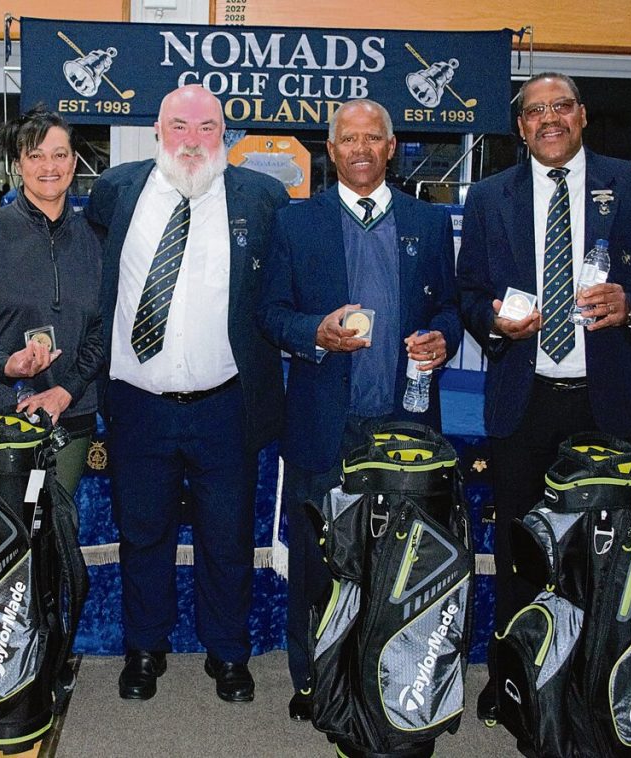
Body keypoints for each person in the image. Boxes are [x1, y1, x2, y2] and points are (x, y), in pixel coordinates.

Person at [455, 72, 631, 718]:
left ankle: (595, 682)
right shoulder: (488, 197)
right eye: (535, 111)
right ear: (521, 127)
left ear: (583, 115)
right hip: (523, 400)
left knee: (606, 556)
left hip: (607, 404)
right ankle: (513, 681)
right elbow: (470, 293)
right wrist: (491, 322)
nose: (549, 119)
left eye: (561, 106)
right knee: (520, 553)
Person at [259, 98, 461, 722]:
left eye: (375, 138)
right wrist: (313, 334)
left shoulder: (428, 224)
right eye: (349, 139)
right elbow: (268, 314)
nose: (362, 149)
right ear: (331, 148)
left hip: (406, 427)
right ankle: (313, 680)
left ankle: (390, 675)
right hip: (326, 426)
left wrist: (444, 338)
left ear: (392, 147)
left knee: (399, 563)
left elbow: (449, 309)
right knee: (320, 566)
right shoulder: (296, 223)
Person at [86, 84, 288, 703]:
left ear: (225, 133)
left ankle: (228, 654)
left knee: (225, 539)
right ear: (156, 130)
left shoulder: (263, 196)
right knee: (142, 535)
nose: (193, 141)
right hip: (137, 404)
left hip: (225, 405)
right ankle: (145, 649)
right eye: (179, 126)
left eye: (207, 128)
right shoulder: (115, 192)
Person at [0, 105, 103, 495]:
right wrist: (7, 364)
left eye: (59, 154)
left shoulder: (95, 239)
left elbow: (104, 328)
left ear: (74, 161)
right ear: (18, 164)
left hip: (70, 413)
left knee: (58, 535)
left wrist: (67, 390)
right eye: (35, 155)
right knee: (3, 537)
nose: (48, 166)